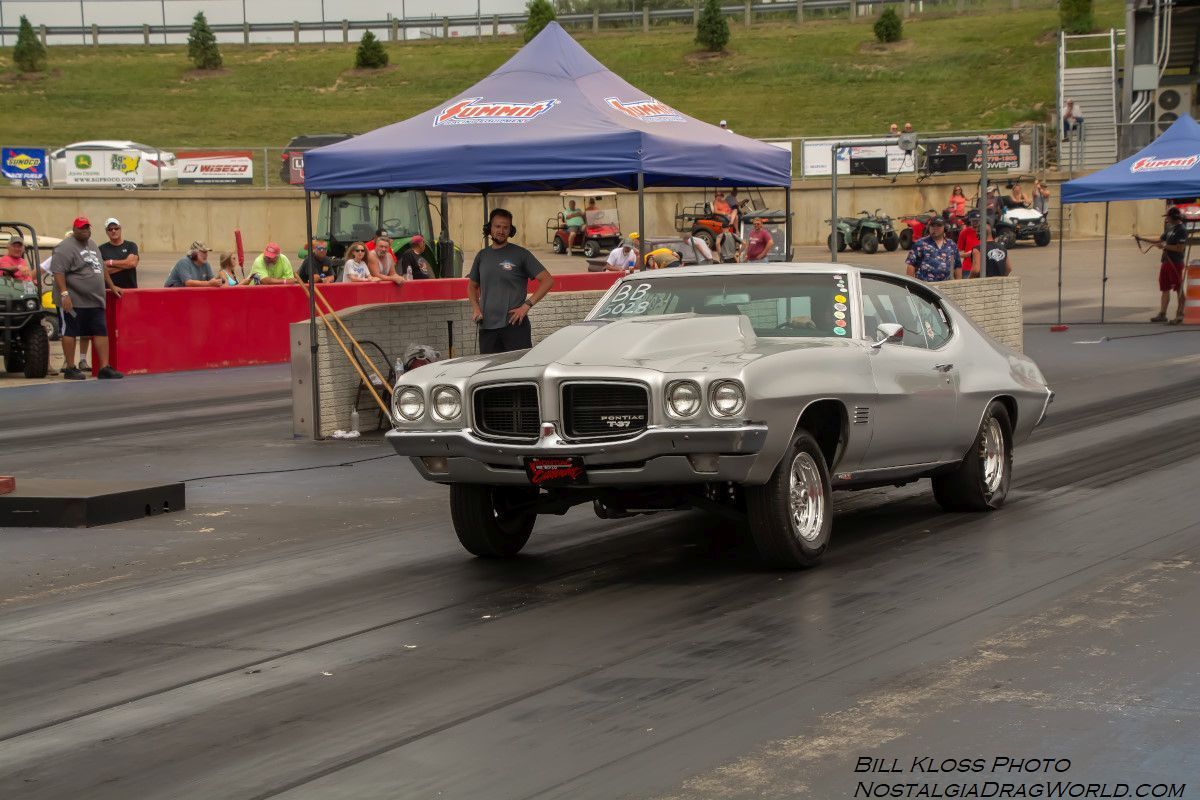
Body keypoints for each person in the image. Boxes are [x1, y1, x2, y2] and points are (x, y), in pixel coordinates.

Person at [468, 208, 554, 354]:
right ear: (490, 228)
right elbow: (472, 286)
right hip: (487, 327)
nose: (501, 231)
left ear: (511, 230)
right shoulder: (482, 256)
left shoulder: (521, 254)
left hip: (515, 327)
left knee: (518, 371)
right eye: (497, 226)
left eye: (505, 227)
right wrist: (476, 308)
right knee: (489, 373)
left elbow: (547, 280)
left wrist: (526, 306)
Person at [50, 217, 124, 380]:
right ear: (74, 229)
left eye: (87, 228)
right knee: (69, 331)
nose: (85, 230)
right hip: (73, 299)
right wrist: (64, 294)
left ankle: (104, 367)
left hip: (95, 299)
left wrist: (111, 286)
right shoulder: (64, 248)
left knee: (100, 331)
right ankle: (70, 367)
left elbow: (102, 267)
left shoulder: (92, 244)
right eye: (81, 228)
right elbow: (58, 272)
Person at [1137, 206, 1188, 323]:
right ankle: (1162, 314)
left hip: (1175, 263)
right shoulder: (1170, 228)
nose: (1166, 219)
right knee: (1165, 288)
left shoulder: (1181, 230)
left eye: (1168, 217)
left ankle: (1180, 314)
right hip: (1166, 262)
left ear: (1174, 217)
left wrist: (1164, 246)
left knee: (1178, 288)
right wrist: (1142, 239)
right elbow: (1159, 240)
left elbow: (1180, 248)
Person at [905, 217, 960, 282]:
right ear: (929, 228)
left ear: (945, 228)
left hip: (946, 286)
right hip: (925, 287)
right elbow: (911, 265)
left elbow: (957, 266)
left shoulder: (951, 244)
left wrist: (958, 284)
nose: (935, 228)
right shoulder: (920, 243)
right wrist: (910, 285)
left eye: (939, 226)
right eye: (932, 226)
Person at [99, 218, 139, 289]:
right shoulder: (101, 249)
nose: (113, 231)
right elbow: (102, 271)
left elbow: (132, 263)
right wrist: (126, 265)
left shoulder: (131, 245)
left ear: (120, 229)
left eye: (116, 228)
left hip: (130, 291)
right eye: (110, 229)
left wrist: (110, 262)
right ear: (106, 232)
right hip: (110, 291)